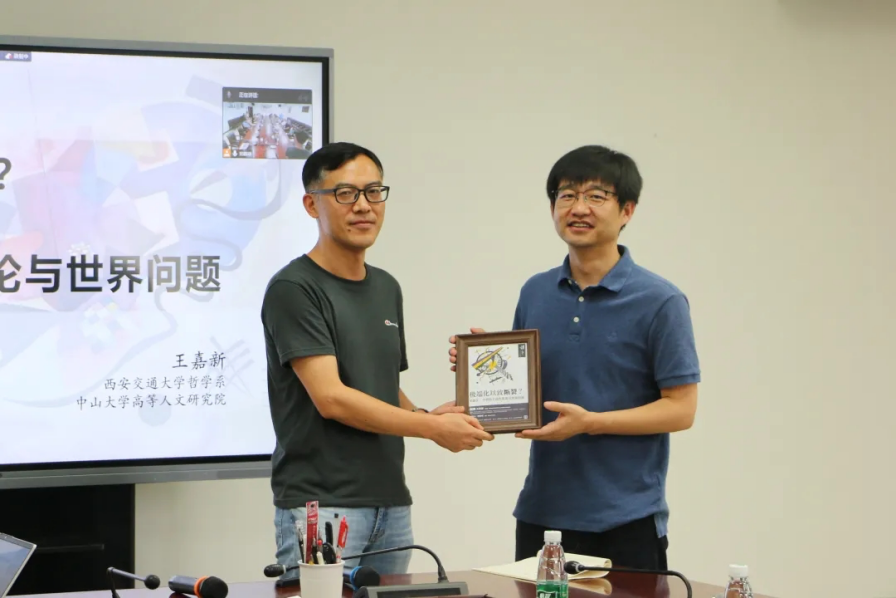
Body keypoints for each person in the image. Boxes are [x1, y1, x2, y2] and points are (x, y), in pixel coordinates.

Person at [448, 145, 700, 570]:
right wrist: (486, 367)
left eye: (596, 196)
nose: (578, 208)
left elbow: (681, 409)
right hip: (541, 514)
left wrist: (591, 423)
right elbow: (529, 395)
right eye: (566, 195)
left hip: (627, 519)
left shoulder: (661, 301)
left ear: (627, 210)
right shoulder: (536, 291)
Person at [263, 142, 493, 583]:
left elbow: (381, 385)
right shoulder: (294, 288)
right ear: (312, 205)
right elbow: (332, 398)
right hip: (322, 504)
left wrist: (426, 415)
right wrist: (430, 429)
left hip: (391, 503)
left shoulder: (386, 287)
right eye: (345, 194)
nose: (363, 206)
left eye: (373, 192)